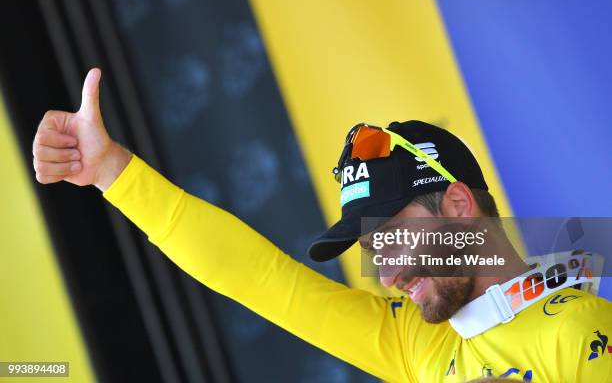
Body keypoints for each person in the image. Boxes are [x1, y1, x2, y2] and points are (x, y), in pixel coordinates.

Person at [32, 69, 611, 382]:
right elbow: (258, 278)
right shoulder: (414, 341)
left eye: (389, 236)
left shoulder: (583, 335)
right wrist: (112, 172)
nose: (387, 274)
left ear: (458, 205)